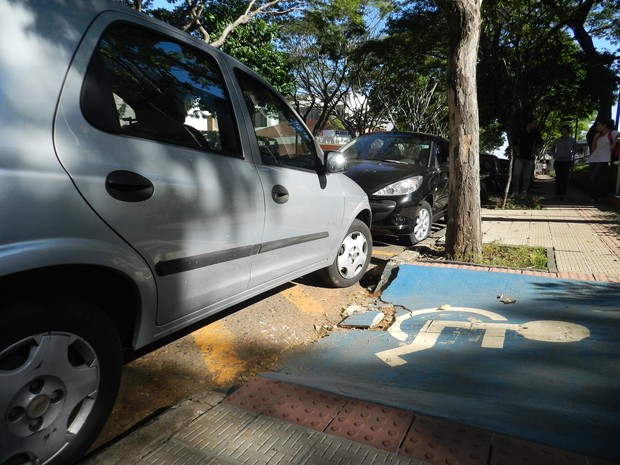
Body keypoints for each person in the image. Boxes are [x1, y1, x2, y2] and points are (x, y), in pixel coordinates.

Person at [511, 118, 543, 196]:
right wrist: (517, 150)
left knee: (527, 177)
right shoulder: (521, 132)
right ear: (528, 123)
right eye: (534, 123)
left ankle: (524, 192)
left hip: (530, 158)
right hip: (520, 157)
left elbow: (540, 144)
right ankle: (515, 191)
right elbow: (514, 142)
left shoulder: (536, 133)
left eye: (536, 123)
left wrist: (535, 151)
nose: (535, 125)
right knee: (516, 174)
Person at [588, 118, 618, 202]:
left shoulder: (612, 133)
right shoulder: (598, 135)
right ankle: (595, 196)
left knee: (594, 177)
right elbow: (593, 149)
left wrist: (614, 143)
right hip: (594, 158)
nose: (597, 126)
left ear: (604, 125)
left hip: (604, 159)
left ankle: (595, 197)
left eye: (598, 125)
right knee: (593, 178)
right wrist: (595, 138)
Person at [549, 124, 577, 199]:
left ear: (568, 131)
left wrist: (571, 154)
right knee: (558, 177)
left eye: (565, 130)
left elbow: (575, 149)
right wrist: (554, 155)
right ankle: (557, 193)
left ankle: (562, 194)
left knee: (564, 178)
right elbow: (551, 150)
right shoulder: (556, 140)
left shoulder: (572, 140)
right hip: (558, 161)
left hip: (567, 161)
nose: (563, 131)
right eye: (562, 130)